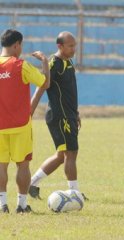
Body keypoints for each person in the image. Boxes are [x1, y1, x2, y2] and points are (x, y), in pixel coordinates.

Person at [29, 31, 87, 200]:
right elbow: (42, 85)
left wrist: (75, 112)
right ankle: (74, 192)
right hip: (59, 115)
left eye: (74, 45)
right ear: (59, 46)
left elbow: (70, 91)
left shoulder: (68, 63)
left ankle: (31, 183)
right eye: (70, 46)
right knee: (71, 153)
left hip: (68, 114)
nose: (73, 49)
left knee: (62, 156)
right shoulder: (54, 64)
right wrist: (30, 111)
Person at [0, 29, 50, 213]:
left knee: (1, 165)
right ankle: (21, 205)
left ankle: (2, 204)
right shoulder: (22, 65)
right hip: (20, 125)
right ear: (16, 45)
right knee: (23, 164)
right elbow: (45, 83)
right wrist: (45, 61)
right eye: (20, 46)